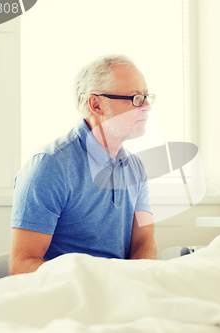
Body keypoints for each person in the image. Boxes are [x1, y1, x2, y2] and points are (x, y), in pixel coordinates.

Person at [10, 55, 157, 275]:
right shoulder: (50, 167)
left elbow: (144, 241)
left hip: (121, 294)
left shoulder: (136, 168)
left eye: (147, 97)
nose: (146, 106)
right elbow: (22, 266)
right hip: (69, 298)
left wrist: (136, 281)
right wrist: (100, 286)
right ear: (95, 104)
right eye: (136, 98)